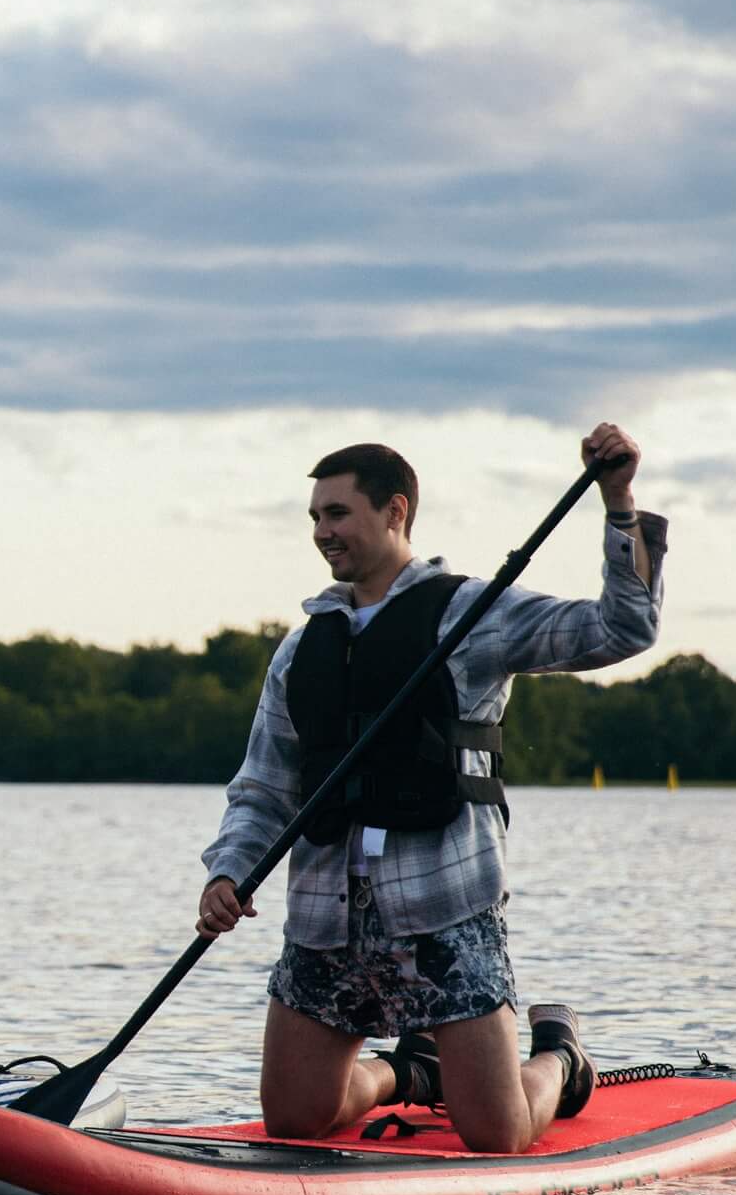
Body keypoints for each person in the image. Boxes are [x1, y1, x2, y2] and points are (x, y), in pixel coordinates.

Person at [197, 425, 664, 1152]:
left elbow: (622, 629)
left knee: (497, 1134)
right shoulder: (301, 647)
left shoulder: (472, 613)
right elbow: (263, 783)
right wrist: (228, 869)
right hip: (326, 913)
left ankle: (561, 1059)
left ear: (396, 511)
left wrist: (618, 500)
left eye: (338, 513)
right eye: (315, 517)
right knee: (294, 1119)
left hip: (444, 908)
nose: (323, 532)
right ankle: (408, 1072)